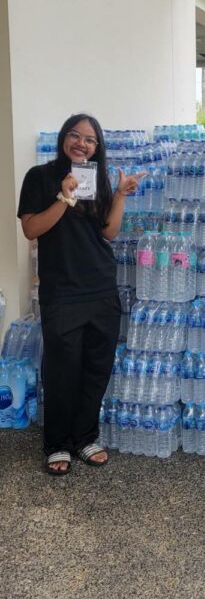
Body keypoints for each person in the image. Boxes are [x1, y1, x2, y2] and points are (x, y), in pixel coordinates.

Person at [18, 114, 144, 476]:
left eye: (90, 140)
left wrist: (119, 195)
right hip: (62, 290)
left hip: (102, 286)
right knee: (61, 370)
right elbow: (31, 229)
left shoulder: (97, 178)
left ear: (97, 147)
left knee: (96, 368)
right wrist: (64, 197)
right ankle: (57, 443)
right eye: (75, 136)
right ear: (63, 138)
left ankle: (86, 437)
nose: (82, 144)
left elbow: (107, 232)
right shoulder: (40, 177)